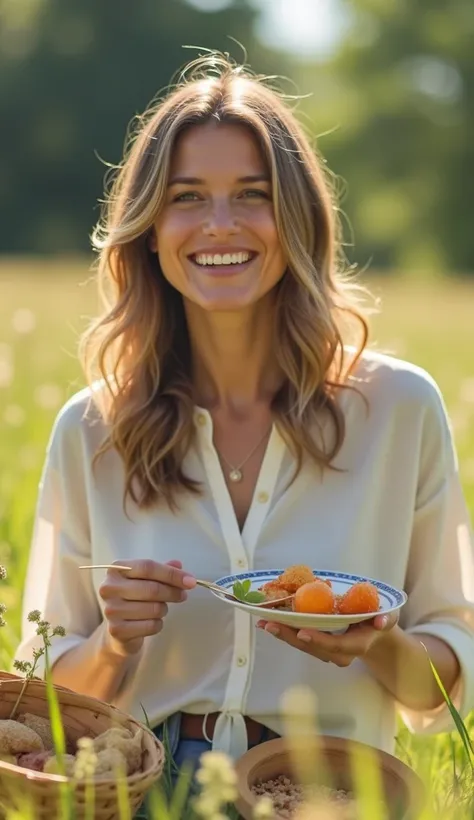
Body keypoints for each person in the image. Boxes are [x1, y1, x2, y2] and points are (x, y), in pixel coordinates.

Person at [15, 53, 474, 786]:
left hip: (328, 790)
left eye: (252, 195)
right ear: (151, 226)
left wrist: (372, 645)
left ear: (297, 219)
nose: (219, 224)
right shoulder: (93, 428)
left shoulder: (399, 411)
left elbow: (445, 680)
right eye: (188, 197)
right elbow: (44, 704)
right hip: (141, 787)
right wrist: (113, 644)